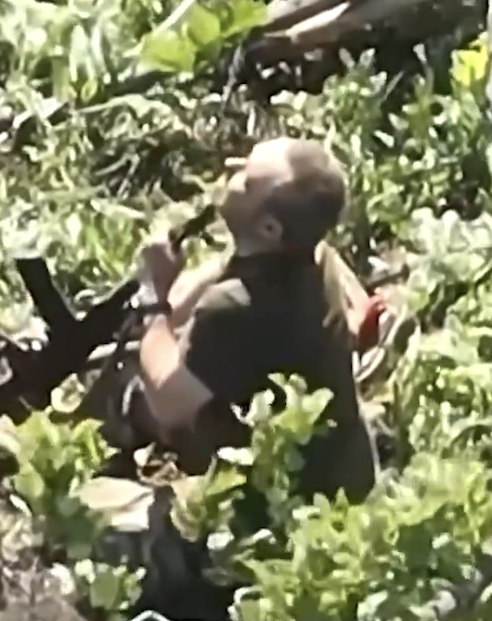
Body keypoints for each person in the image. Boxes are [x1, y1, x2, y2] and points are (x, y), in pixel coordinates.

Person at [131, 137, 378, 505]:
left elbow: (167, 402)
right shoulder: (315, 254)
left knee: (137, 394)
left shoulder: (234, 308)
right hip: (347, 472)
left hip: (292, 498)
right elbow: (219, 275)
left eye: (246, 179)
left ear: (269, 229)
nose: (231, 166)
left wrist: (153, 297)